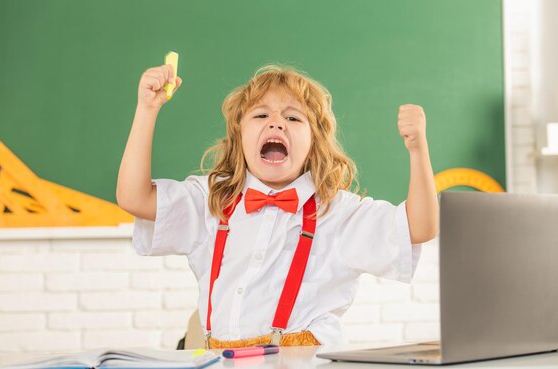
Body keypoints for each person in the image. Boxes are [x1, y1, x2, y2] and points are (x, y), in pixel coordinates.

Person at [116, 64, 439, 348]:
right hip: (221, 359)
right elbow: (134, 198)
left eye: (293, 117)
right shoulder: (209, 199)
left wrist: (418, 149)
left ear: (315, 142)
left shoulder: (339, 213)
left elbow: (421, 227)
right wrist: (147, 109)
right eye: (261, 114)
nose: (276, 123)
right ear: (239, 136)